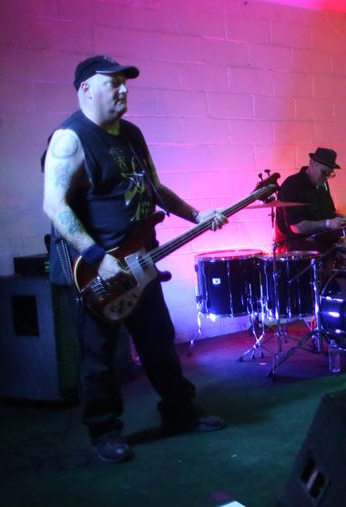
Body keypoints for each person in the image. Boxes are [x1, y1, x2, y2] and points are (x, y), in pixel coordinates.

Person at [42, 56, 227, 464]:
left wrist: (197, 215)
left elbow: (154, 188)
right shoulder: (70, 139)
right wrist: (97, 257)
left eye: (125, 83)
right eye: (113, 83)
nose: (123, 89)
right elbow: (55, 206)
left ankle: (179, 412)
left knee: (159, 341)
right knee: (99, 358)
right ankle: (105, 431)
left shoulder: (132, 135)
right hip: (97, 272)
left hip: (140, 262)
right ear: (86, 89)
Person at [275, 147, 346, 254]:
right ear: (312, 164)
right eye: (324, 172)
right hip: (297, 242)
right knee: (329, 252)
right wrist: (327, 223)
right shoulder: (292, 185)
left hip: (320, 238)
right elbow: (297, 227)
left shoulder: (322, 184)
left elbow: (328, 213)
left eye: (329, 174)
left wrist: (343, 219)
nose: (326, 178)